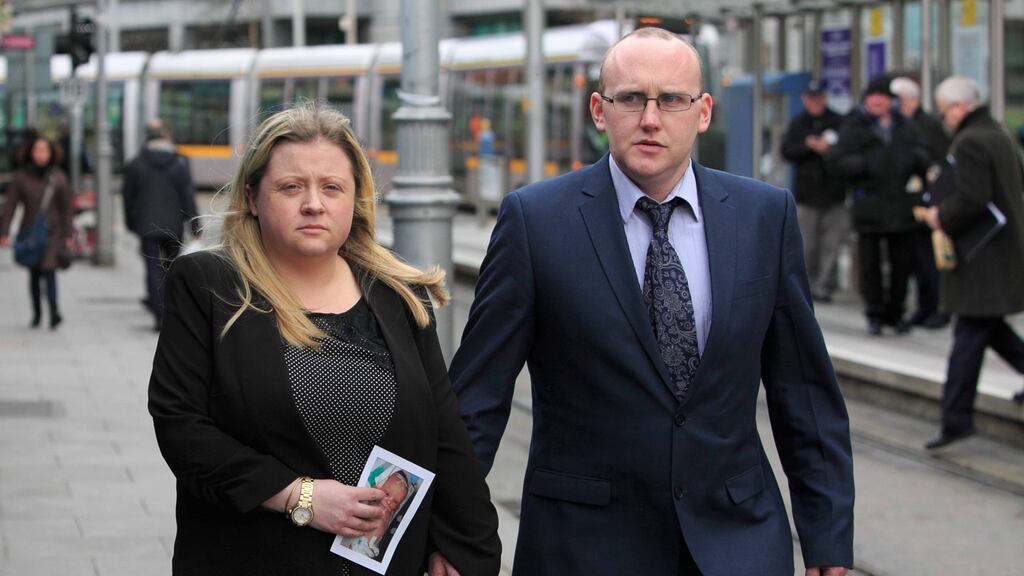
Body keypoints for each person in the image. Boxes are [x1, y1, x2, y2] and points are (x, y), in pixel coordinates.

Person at [450, 28, 853, 576]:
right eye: (632, 98)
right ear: (599, 109)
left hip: (737, 541)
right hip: (584, 545)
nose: (651, 118)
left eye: (672, 99)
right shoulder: (536, 221)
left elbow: (803, 394)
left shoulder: (765, 216)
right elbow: (478, 395)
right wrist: (450, 531)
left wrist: (827, 540)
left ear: (703, 111)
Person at [148, 102, 500, 575]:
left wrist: (462, 549)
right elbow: (181, 427)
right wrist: (302, 497)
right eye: (291, 187)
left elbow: (445, 434)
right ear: (253, 198)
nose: (313, 203)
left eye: (332, 187)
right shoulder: (208, 285)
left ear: (354, 200)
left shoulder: (397, 295)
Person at [922, 77, 1024, 449]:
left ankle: (955, 420)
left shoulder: (970, 141)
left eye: (944, 109)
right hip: (1001, 252)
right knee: (989, 328)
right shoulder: (999, 133)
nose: (943, 118)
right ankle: (956, 419)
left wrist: (940, 217)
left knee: (968, 336)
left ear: (960, 107)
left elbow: (972, 198)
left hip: (981, 256)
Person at [829, 74, 930, 335]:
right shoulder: (854, 126)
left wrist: (914, 162)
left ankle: (895, 313)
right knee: (870, 264)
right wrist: (866, 165)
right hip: (869, 206)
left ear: (890, 101)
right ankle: (874, 312)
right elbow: (837, 162)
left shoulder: (904, 126)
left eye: (882, 98)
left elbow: (922, 155)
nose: (877, 102)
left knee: (902, 263)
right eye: (873, 97)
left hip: (900, 206)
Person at [122, 119, 200, 330]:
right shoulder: (180, 162)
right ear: (165, 136)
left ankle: (160, 316)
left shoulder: (136, 163)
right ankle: (172, 312)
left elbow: (128, 198)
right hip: (173, 226)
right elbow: (187, 195)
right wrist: (195, 225)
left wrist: (130, 223)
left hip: (147, 226)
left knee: (153, 270)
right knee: (172, 269)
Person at [890, 76, 951, 330]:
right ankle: (925, 307)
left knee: (931, 260)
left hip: (930, 202)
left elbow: (937, 163)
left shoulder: (927, 126)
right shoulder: (899, 124)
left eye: (899, 100)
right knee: (917, 259)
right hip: (909, 203)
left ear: (913, 100)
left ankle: (939, 308)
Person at [781, 79, 847, 303]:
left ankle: (825, 286)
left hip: (834, 194)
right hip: (807, 196)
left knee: (832, 245)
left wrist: (829, 149)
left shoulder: (838, 122)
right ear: (805, 100)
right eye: (811, 98)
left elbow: (848, 149)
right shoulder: (798, 124)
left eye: (819, 98)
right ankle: (806, 286)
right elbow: (787, 150)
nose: (815, 102)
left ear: (825, 99)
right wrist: (808, 146)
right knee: (807, 244)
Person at [0, 136, 74, 329]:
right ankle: (37, 312)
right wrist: (5, 230)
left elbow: (66, 208)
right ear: (30, 153)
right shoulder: (21, 177)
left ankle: (54, 311)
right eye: (37, 150)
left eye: (45, 151)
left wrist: (68, 235)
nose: (41, 155)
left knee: (49, 270)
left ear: (51, 153)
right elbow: (10, 205)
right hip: (31, 231)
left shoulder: (58, 177)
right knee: (34, 273)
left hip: (53, 232)